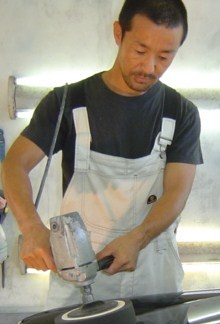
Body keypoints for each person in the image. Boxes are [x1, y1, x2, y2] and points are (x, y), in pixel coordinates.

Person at [1, 0, 203, 306]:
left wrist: (138, 238)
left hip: (152, 266)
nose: (150, 67)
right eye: (140, 51)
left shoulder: (181, 113)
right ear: (118, 34)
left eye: (164, 57)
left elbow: (177, 191)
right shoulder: (67, 102)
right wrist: (31, 228)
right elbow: (15, 164)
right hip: (78, 267)